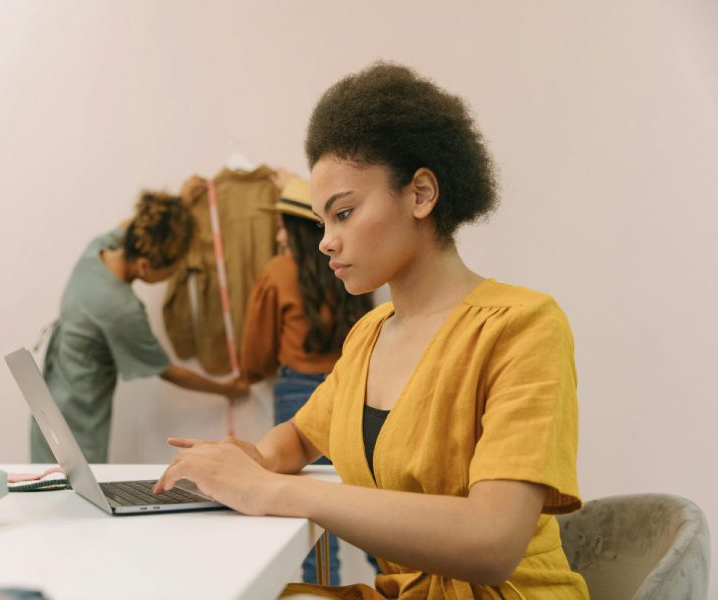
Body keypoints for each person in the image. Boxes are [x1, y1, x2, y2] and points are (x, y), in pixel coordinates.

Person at [153, 62, 589, 599]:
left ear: (421, 193)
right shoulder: (370, 333)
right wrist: (253, 461)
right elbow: (299, 434)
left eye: (344, 213)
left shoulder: (523, 326)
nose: (326, 243)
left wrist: (271, 491)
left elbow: (493, 542)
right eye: (321, 223)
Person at [31, 182, 248, 464]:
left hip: (48, 392)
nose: (172, 276)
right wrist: (227, 389)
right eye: (171, 270)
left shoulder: (98, 249)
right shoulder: (121, 308)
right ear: (145, 266)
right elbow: (168, 371)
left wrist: (177, 209)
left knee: (45, 484)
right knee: (74, 488)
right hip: (76, 413)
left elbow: (135, 226)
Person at [239, 175, 374, 585]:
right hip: (356, 392)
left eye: (282, 224)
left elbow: (255, 354)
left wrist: (247, 375)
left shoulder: (278, 273)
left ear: (294, 229)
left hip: (298, 394)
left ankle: (321, 593)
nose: (278, 234)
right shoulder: (354, 270)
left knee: (313, 522)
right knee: (370, 506)